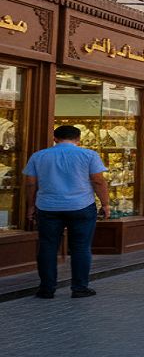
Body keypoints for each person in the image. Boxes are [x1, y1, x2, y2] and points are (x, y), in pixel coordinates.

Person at [22, 124, 110, 299]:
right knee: (81, 247)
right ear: (78, 139)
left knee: (47, 246)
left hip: (47, 206)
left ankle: (47, 288)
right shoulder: (89, 155)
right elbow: (98, 181)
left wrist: (31, 205)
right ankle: (79, 288)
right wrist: (105, 204)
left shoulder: (39, 156)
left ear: (54, 138)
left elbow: (31, 183)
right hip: (81, 206)